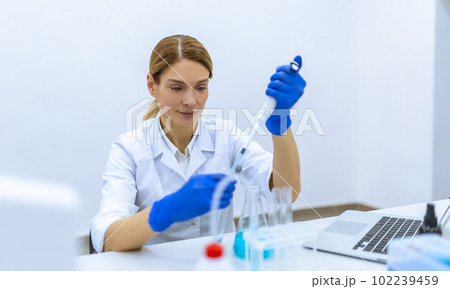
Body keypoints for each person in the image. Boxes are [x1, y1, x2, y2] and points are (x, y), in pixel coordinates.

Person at [90, 35, 306, 253]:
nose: (191, 101)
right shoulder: (128, 148)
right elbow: (109, 240)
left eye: (200, 87)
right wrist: (167, 210)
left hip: (221, 268)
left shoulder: (225, 135)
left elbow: (285, 192)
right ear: (152, 86)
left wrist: (281, 124)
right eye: (176, 88)